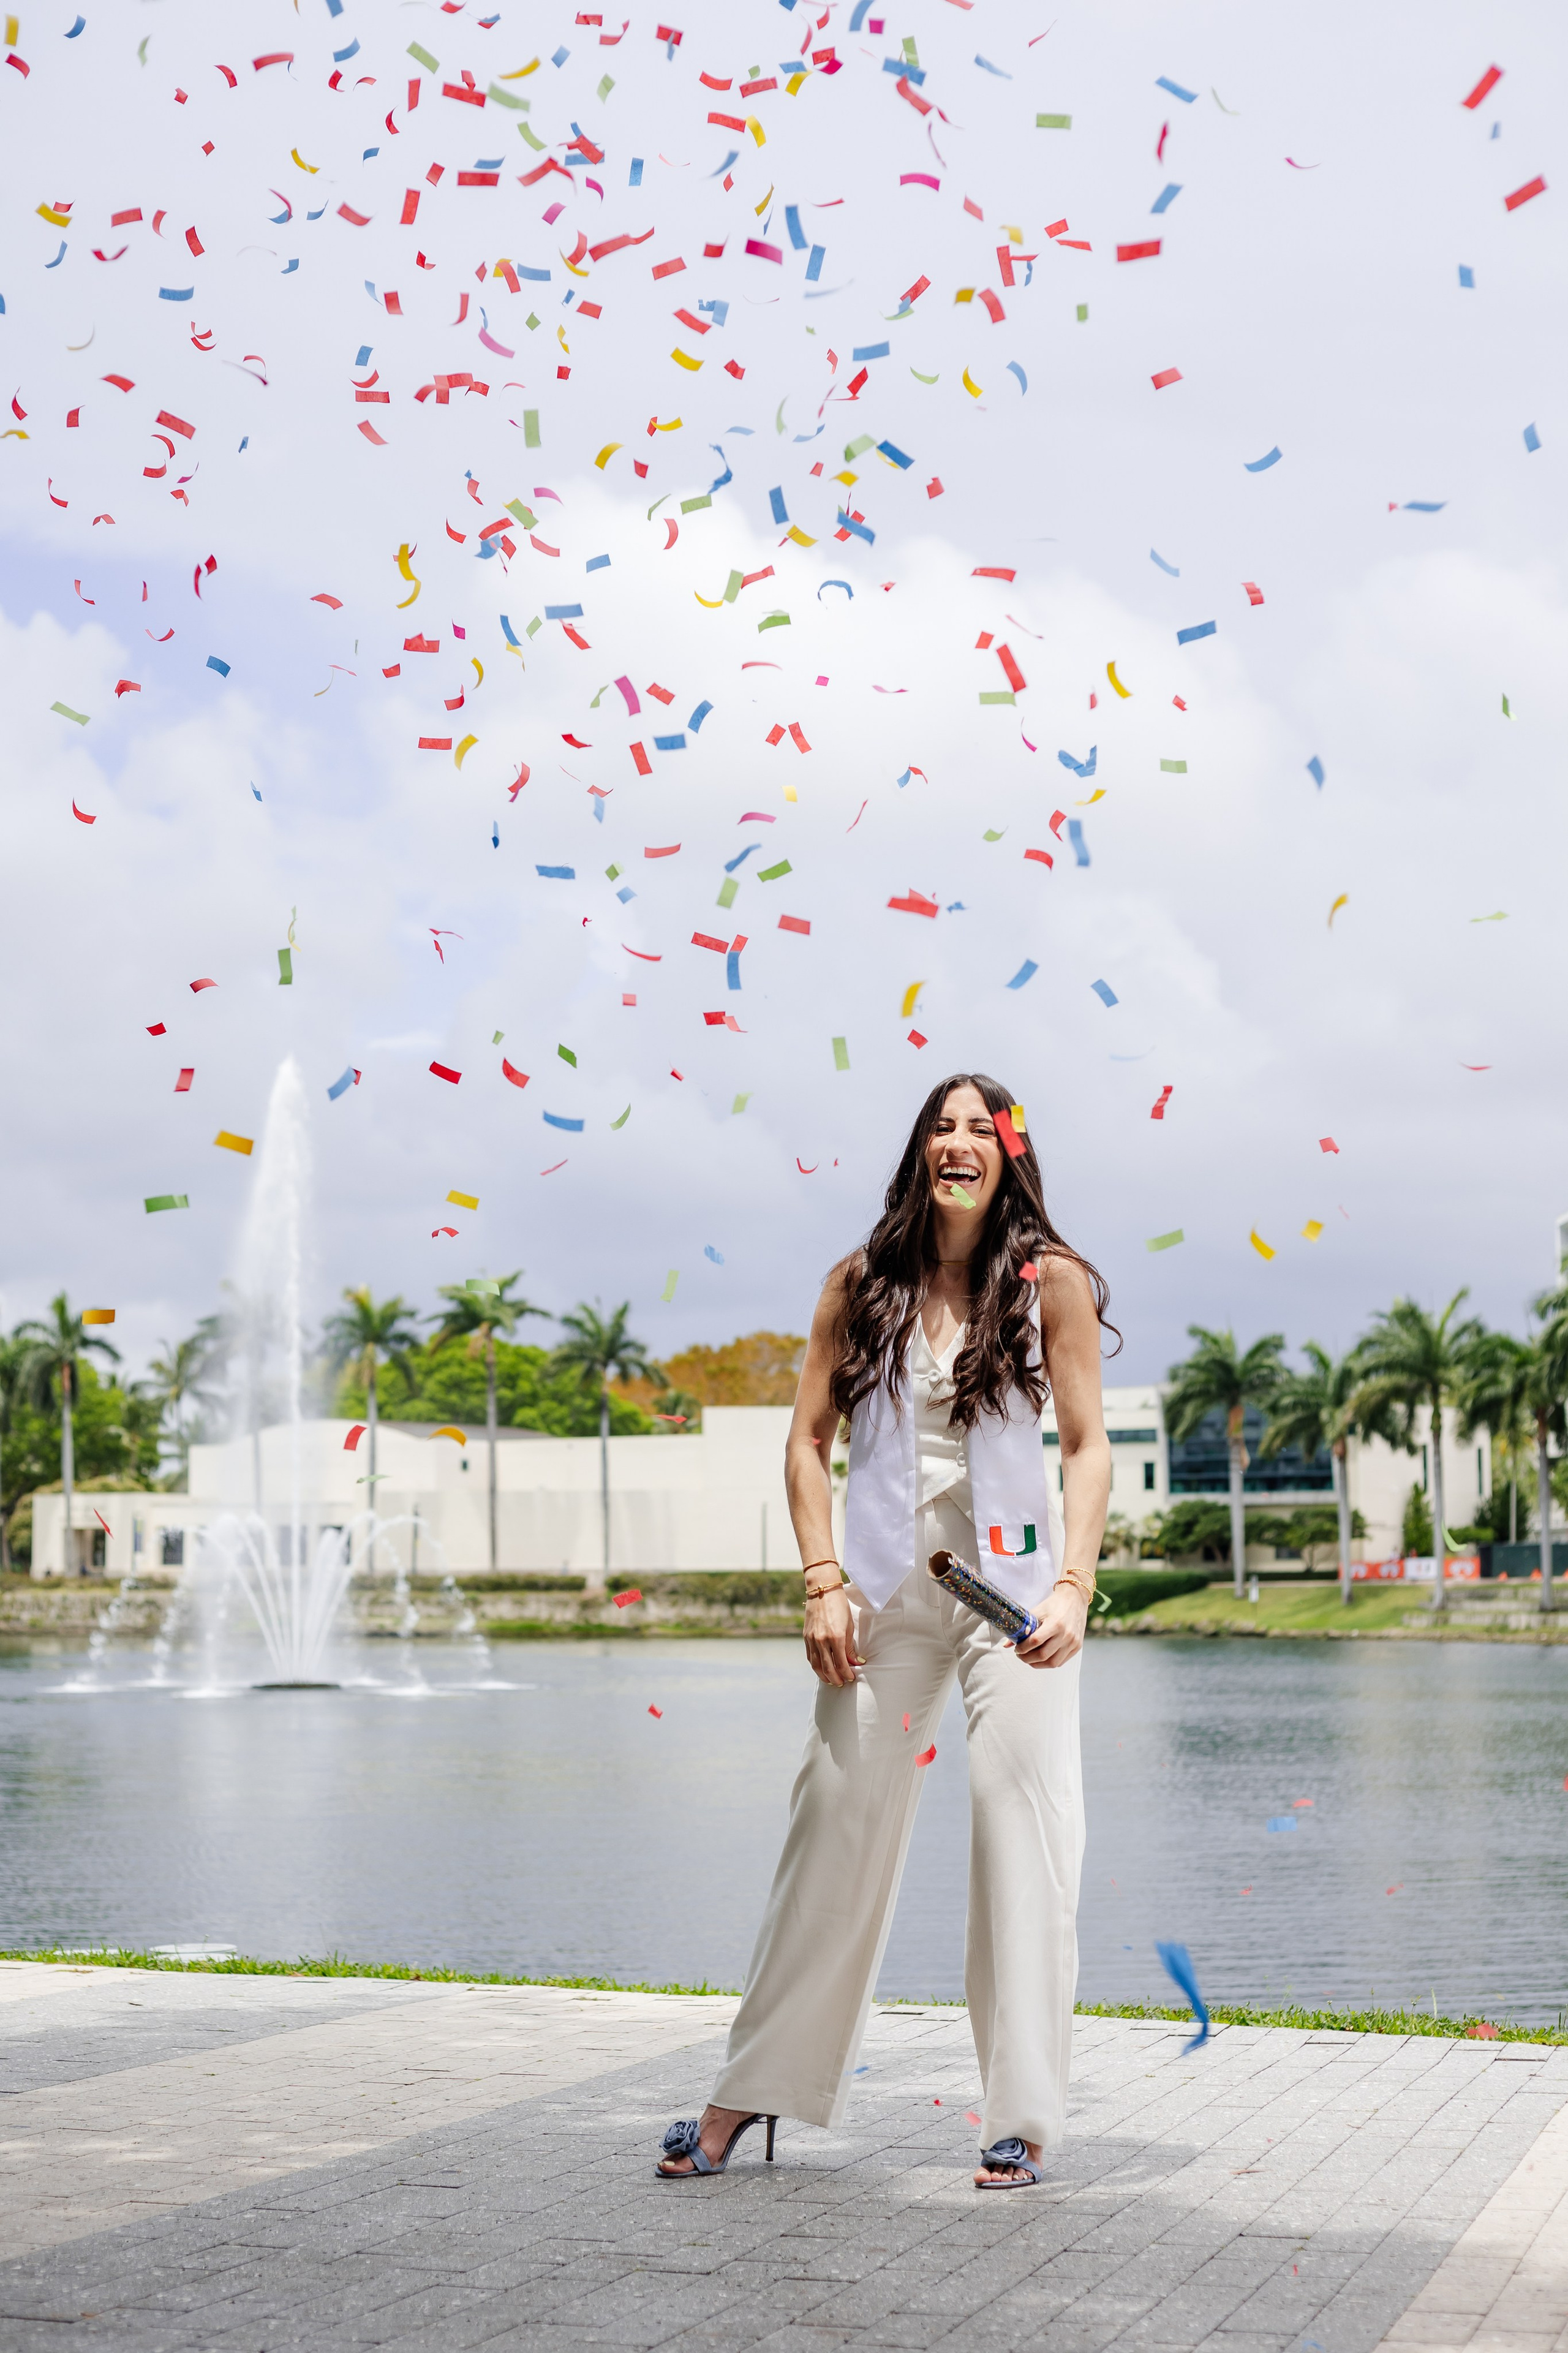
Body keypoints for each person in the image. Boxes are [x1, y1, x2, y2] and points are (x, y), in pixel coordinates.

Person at [656, 1073, 1114, 2188]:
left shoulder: (1048, 1281)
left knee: (1023, 1832)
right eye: (940, 1126)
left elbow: (1086, 1446)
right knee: (831, 1818)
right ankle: (754, 2086)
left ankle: (1021, 2116)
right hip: (883, 1588)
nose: (959, 1142)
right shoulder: (860, 1282)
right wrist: (822, 1579)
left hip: (1011, 1596)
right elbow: (806, 1443)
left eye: (980, 1129)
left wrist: (1074, 1586)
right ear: (920, 1151)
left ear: (1008, 1156)